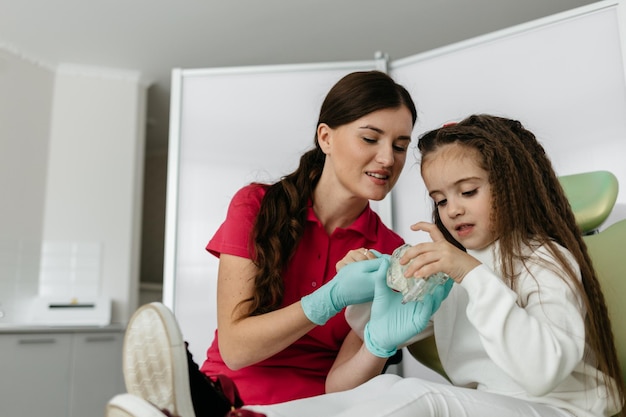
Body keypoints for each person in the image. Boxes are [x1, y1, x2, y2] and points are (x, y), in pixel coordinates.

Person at [237, 114, 624, 417]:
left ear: (511, 185)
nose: (452, 209)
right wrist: (376, 288)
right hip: (495, 404)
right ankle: (244, 415)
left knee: (419, 396)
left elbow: (540, 373)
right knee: (383, 388)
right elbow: (388, 329)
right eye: (439, 199)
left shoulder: (545, 260)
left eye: (467, 192)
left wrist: (472, 275)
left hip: (563, 409)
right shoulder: (456, 267)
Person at [112, 70, 420, 417]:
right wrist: (329, 298)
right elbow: (236, 349)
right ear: (326, 138)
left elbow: (341, 386)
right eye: (370, 139)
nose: (387, 159)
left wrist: (380, 340)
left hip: (315, 407)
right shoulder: (256, 207)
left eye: (400, 146)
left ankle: (182, 403)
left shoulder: (389, 252)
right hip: (232, 390)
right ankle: (197, 399)